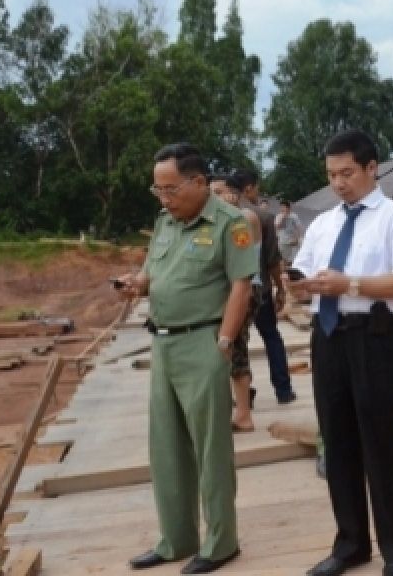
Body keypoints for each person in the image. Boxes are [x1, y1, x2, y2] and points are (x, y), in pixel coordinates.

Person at [284, 130, 393, 576]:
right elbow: (304, 275)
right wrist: (298, 285)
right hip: (328, 337)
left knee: (383, 443)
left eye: (347, 173)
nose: (339, 183)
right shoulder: (324, 224)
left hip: (374, 335)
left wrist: (351, 284)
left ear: (371, 168)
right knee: (338, 439)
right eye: (331, 175)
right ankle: (350, 544)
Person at [115, 143, 257, 574]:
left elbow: (240, 287)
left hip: (204, 342)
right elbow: (151, 273)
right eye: (157, 190)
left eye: (171, 189)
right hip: (163, 343)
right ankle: (175, 539)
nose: (163, 198)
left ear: (198, 182)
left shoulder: (231, 224)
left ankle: (220, 542)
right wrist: (135, 285)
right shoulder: (164, 222)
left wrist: (225, 343)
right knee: (167, 447)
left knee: (211, 448)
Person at [234, 169, 296, 405]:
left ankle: (243, 395)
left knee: (238, 342)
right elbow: (272, 260)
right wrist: (280, 288)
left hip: (233, 292)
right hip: (259, 290)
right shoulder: (264, 216)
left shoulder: (223, 216)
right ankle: (283, 390)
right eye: (256, 188)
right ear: (248, 188)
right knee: (271, 336)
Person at [208, 172, 262, 433]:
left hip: (245, 290)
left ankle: (243, 414)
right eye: (211, 193)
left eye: (220, 192)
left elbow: (243, 265)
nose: (215, 198)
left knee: (236, 348)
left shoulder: (244, 218)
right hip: (228, 290)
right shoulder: (221, 219)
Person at [275, 199, 304, 264]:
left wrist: (297, 238)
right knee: (283, 259)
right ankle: (286, 266)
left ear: (288, 208)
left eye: (283, 207)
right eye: (281, 207)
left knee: (302, 243)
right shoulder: (278, 216)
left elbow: (299, 227)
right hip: (283, 241)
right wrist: (283, 218)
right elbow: (277, 227)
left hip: (293, 239)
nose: (282, 209)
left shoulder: (293, 216)